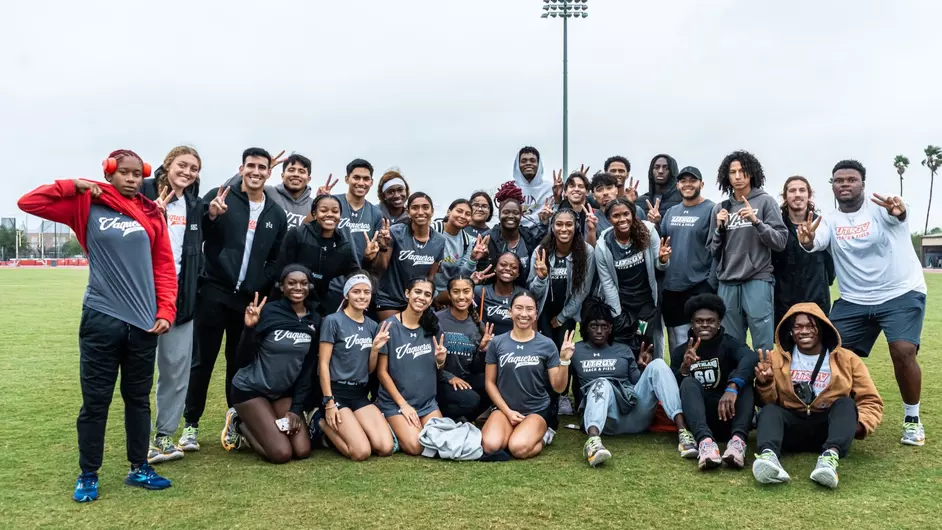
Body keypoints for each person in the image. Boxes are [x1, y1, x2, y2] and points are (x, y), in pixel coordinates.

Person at [18, 149, 177, 501]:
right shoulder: (87, 203)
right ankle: (88, 473)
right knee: (95, 401)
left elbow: (163, 266)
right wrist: (71, 185)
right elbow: (29, 202)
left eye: (138, 173)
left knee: (138, 399)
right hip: (101, 318)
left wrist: (165, 310)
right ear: (109, 174)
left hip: (144, 323)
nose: (132, 178)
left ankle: (139, 467)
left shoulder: (151, 213)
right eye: (124, 172)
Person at [796, 159, 926, 446]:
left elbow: (899, 215)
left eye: (851, 179)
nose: (844, 184)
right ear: (833, 185)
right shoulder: (830, 219)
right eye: (839, 180)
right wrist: (805, 240)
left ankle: (912, 419)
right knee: (830, 350)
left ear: (862, 184)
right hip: (854, 300)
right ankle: (833, 412)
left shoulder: (881, 210)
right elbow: (815, 241)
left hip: (900, 292)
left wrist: (899, 211)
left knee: (903, 351)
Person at [182, 147, 288, 451]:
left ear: (269, 172)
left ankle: (234, 422)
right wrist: (211, 215)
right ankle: (191, 424)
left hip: (247, 301)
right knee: (202, 361)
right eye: (250, 166)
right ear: (241, 168)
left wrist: (258, 284)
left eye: (262, 168)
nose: (256, 172)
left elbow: (275, 259)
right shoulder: (221, 195)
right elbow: (196, 232)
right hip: (214, 293)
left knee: (238, 364)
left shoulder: (275, 212)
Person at [752, 303, 884, 488]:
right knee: (769, 411)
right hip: (791, 427)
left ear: (822, 328)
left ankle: (829, 460)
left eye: (810, 326)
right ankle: (769, 458)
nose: (804, 331)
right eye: (798, 326)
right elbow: (769, 402)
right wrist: (765, 384)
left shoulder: (847, 359)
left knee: (845, 404)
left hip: (828, 429)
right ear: (790, 331)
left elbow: (870, 399)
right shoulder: (775, 358)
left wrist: (860, 425)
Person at [572, 297, 696, 466]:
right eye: (594, 326)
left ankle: (683, 432)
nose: (599, 331)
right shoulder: (576, 350)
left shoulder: (623, 349)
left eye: (604, 326)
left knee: (658, 364)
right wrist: (564, 361)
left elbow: (638, 385)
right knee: (601, 383)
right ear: (586, 328)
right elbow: (561, 387)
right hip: (606, 420)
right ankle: (593, 443)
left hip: (635, 415)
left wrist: (643, 368)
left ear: (610, 328)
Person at [141, 146, 204, 464]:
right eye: (183, 165)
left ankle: (162, 438)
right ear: (167, 165)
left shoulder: (194, 205)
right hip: (140, 298)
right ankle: (138, 441)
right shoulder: (142, 191)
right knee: (138, 372)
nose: (188, 172)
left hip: (180, 300)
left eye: (194, 168)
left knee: (176, 371)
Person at [220, 266, 317, 463]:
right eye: (291, 283)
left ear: (310, 287)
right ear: (281, 287)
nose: (298, 287)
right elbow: (242, 360)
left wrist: (296, 408)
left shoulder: (314, 318)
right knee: (281, 454)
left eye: (303, 283)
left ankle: (265, 418)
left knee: (302, 450)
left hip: (282, 392)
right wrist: (249, 329)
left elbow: (307, 368)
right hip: (251, 389)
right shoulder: (269, 312)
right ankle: (239, 423)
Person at [708, 150, 787, 351]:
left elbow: (780, 242)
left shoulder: (766, 202)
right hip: (727, 282)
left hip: (757, 279)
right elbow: (712, 251)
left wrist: (756, 222)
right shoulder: (720, 208)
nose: (737, 176)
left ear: (751, 174)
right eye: (732, 172)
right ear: (727, 176)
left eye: (742, 171)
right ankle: (738, 382)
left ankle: (766, 382)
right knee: (731, 343)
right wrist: (719, 229)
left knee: (763, 343)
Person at [672, 294, 757, 471]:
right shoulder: (681, 352)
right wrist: (685, 369)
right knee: (688, 383)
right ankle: (706, 444)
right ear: (692, 324)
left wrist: (733, 386)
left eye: (710, 321)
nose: (704, 325)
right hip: (700, 420)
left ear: (719, 323)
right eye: (699, 321)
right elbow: (673, 391)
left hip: (729, 414)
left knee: (745, 383)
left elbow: (751, 357)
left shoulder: (730, 344)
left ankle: (737, 443)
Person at [482, 291, 570, 459]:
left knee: (518, 448)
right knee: (490, 446)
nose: (524, 314)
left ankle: (545, 435)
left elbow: (558, 387)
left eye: (529, 309)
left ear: (536, 314)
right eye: (519, 308)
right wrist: (507, 412)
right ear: (510, 311)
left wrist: (564, 361)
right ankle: (515, 431)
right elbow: (489, 383)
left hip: (536, 410)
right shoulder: (497, 343)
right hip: (504, 409)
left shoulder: (546, 344)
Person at [316, 273, 395, 460]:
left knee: (385, 447)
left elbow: (369, 370)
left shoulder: (372, 325)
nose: (362, 296)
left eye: (366, 292)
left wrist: (375, 349)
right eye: (356, 292)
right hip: (336, 392)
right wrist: (329, 402)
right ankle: (320, 423)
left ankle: (351, 427)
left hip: (359, 393)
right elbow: (323, 364)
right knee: (361, 452)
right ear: (347, 295)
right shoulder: (333, 321)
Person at [528, 208, 595, 417]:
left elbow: (582, 290)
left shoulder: (585, 251)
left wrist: (564, 316)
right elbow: (532, 290)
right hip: (543, 311)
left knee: (563, 350)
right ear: (552, 226)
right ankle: (546, 395)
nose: (563, 228)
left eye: (568, 224)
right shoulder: (541, 250)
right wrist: (541, 277)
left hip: (567, 312)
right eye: (559, 224)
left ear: (576, 226)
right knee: (545, 351)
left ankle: (563, 395)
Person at [375, 278, 449, 456]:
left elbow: (438, 368)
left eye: (427, 294)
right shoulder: (389, 327)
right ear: (407, 293)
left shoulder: (432, 326)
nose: (421, 297)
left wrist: (440, 360)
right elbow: (381, 372)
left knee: (439, 442)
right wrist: (404, 405)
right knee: (416, 447)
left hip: (427, 403)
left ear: (431, 300)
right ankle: (386, 424)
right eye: (417, 292)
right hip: (397, 403)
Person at [594, 197, 671, 353]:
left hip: (646, 303)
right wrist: (617, 314)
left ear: (633, 214)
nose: (622, 219)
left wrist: (662, 260)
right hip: (623, 305)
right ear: (609, 219)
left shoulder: (648, 231)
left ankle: (648, 373)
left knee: (644, 342)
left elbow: (660, 267)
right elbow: (607, 282)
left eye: (626, 214)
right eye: (616, 216)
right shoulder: (603, 245)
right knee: (624, 347)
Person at [275, 194, 364, 316]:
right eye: (323, 210)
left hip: (321, 307)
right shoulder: (297, 234)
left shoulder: (343, 244)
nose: (330, 214)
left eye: (335, 211)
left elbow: (355, 274)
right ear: (314, 214)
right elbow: (281, 269)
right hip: (290, 302)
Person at [658, 166, 717, 352]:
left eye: (693, 180)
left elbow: (718, 247)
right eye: (683, 181)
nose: (688, 184)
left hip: (699, 285)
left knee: (701, 339)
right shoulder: (671, 212)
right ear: (677, 185)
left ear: (701, 184)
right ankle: (679, 378)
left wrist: (710, 283)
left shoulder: (712, 209)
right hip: (671, 286)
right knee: (676, 340)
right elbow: (661, 246)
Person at [772, 176, 836, 327]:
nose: (797, 194)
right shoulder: (776, 226)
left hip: (817, 300)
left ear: (809, 195)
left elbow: (830, 263)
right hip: (783, 302)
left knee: (818, 344)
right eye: (792, 190)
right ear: (785, 196)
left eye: (802, 190)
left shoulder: (822, 225)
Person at [373, 192, 446, 321]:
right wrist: (383, 248)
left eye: (425, 207)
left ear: (432, 211)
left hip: (417, 300)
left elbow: (430, 277)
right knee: (396, 334)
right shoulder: (395, 233)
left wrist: (428, 300)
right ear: (408, 211)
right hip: (390, 299)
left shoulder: (439, 240)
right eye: (415, 207)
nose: (420, 211)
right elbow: (380, 269)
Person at [435, 276, 496, 421]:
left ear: (472, 294)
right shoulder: (436, 320)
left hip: (465, 378)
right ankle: (442, 417)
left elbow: (475, 368)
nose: (461, 296)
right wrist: (449, 377)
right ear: (449, 295)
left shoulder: (477, 324)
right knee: (470, 399)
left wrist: (482, 350)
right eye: (456, 292)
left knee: (495, 382)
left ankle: (464, 420)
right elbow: (425, 360)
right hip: (439, 380)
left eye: (466, 291)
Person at [318, 158, 383, 266]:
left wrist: (370, 256)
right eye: (356, 178)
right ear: (347, 179)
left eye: (366, 179)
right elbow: (308, 228)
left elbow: (375, 254)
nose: (361, 183)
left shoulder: (376, 213)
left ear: (371, 182)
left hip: (358, 275)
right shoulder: (332, 203)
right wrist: (318, 202)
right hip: (329, 274)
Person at [479, 182, 546, 284]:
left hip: (523, 295)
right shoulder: (487, 239)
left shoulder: (529, 238)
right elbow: (479, 273)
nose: (511, 216)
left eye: (515, 213)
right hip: (493, 295)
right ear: (499, 214)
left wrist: (545, 224)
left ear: (521, 215)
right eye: (506, 212)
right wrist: (481, 258)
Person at [225, 151, 311, 229]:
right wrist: (262, 169)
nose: (296, 174)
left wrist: (323, 198)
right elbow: (229, 190)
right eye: (291, 170)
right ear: (282, 175)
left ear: (308, 179)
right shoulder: (267, 192)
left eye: (302, 171)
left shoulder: (314, 206)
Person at [430, 199, 489, 306]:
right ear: (449, 212)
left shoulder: (466, 241)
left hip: (447, 293)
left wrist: (473, 259)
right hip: (425, 289)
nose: (462, 216)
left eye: (467, 214)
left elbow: (461, 274)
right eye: (459, 211)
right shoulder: (433, 230)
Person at [475, 252, 527, 336]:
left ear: (518, 273)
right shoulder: (480, 291)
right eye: (503, 264)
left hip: (514, 345)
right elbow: (453, 298)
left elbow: (531, 331)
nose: (508, 268)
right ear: (495, 268)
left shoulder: (524, 295)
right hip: (486, 344)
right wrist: (471, 282)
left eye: (513, 267)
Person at [512, 146, 553, 227]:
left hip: (543, 234)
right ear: (518, 165)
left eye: (532, 160)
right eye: (524, 161)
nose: (528, 163)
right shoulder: (510, 188)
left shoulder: (550, 188)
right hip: (515, 234)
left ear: (539, 164)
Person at [639, 154, 681, 231]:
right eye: (656, 167)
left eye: (666, 168)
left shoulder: (682, 200)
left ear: (672, 172)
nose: (660, 171)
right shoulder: (640, 201)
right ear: (651, 171)